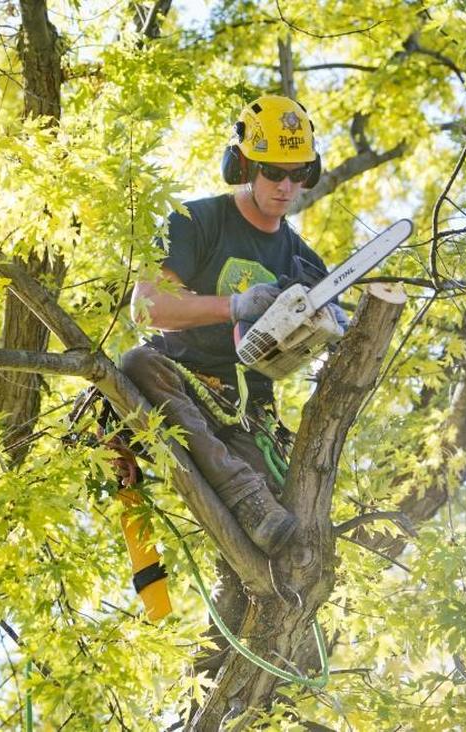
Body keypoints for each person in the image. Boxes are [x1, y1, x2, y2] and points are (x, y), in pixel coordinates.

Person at [121, 95, 343, 558]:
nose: (286, 185)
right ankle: (244, 495)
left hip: (249, 409)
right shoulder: (196, 222)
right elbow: (146, 309)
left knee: (278, 545)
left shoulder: (305, 262)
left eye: (298, 173)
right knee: (137, 360)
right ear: (243, 165)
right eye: (274, 172)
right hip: (179, 382)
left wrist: (331, 327)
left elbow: (322, 350)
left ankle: (253, 508)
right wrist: (235, 305)